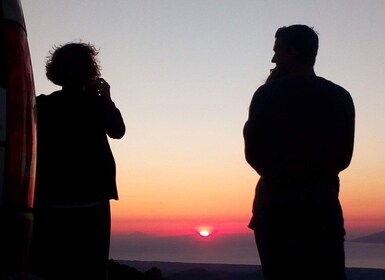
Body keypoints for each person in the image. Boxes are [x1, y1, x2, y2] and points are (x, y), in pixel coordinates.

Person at [243, 25, 355, 280]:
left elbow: (254, 155)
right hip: (324, 206)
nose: (273, 59)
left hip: (276, 209)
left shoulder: (266, 95)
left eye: (277, 51)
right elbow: (344, 157)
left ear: (292, 52)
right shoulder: (341, 97)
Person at [30, 42, 125, 280]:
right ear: (89, 70)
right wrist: (107, 98)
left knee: (50, 269)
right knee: (91, 271)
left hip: (51, 202)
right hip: (92, 202)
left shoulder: (41, 105)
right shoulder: (97, 105)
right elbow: (118, 130)